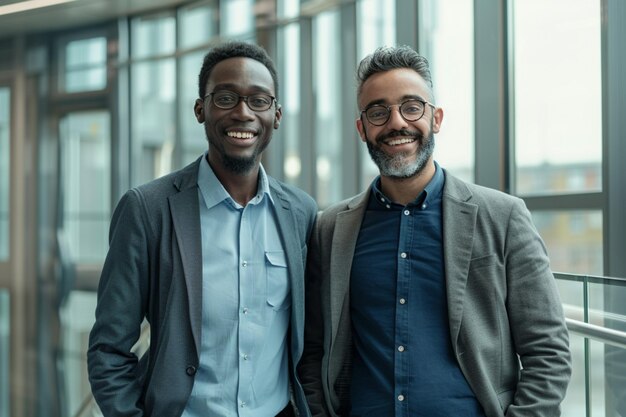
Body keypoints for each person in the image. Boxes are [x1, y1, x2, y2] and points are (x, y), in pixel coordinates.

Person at [298, 45, 572, 417]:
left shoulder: (503, 216)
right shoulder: (330, 228)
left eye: (411, 107)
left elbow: (547, 349)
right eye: (379, 112)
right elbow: (313, 349)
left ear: (436, 118)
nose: (396, 123)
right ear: (362, 129)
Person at [88, 41, 317, 417]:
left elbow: (309, 343)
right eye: (226, 98)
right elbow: (109, 349)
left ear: (276, 115)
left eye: (259, 101)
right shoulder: (148, 210)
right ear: (201, 109)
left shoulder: (301, 213)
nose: (243, 113)